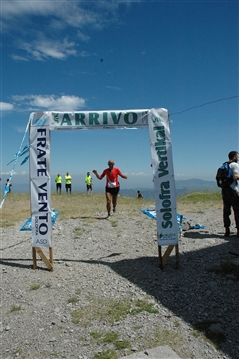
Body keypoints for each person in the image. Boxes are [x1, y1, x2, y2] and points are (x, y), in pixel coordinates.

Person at [221, 151, 239, 237]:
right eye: (237, 156)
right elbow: (235, 177)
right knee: (237, 210)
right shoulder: (235, 165)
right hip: (232, 190)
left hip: (224, 189)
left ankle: (227, 230)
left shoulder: (225, 164)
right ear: (235, 157)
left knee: (226, 210)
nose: (238, 158)